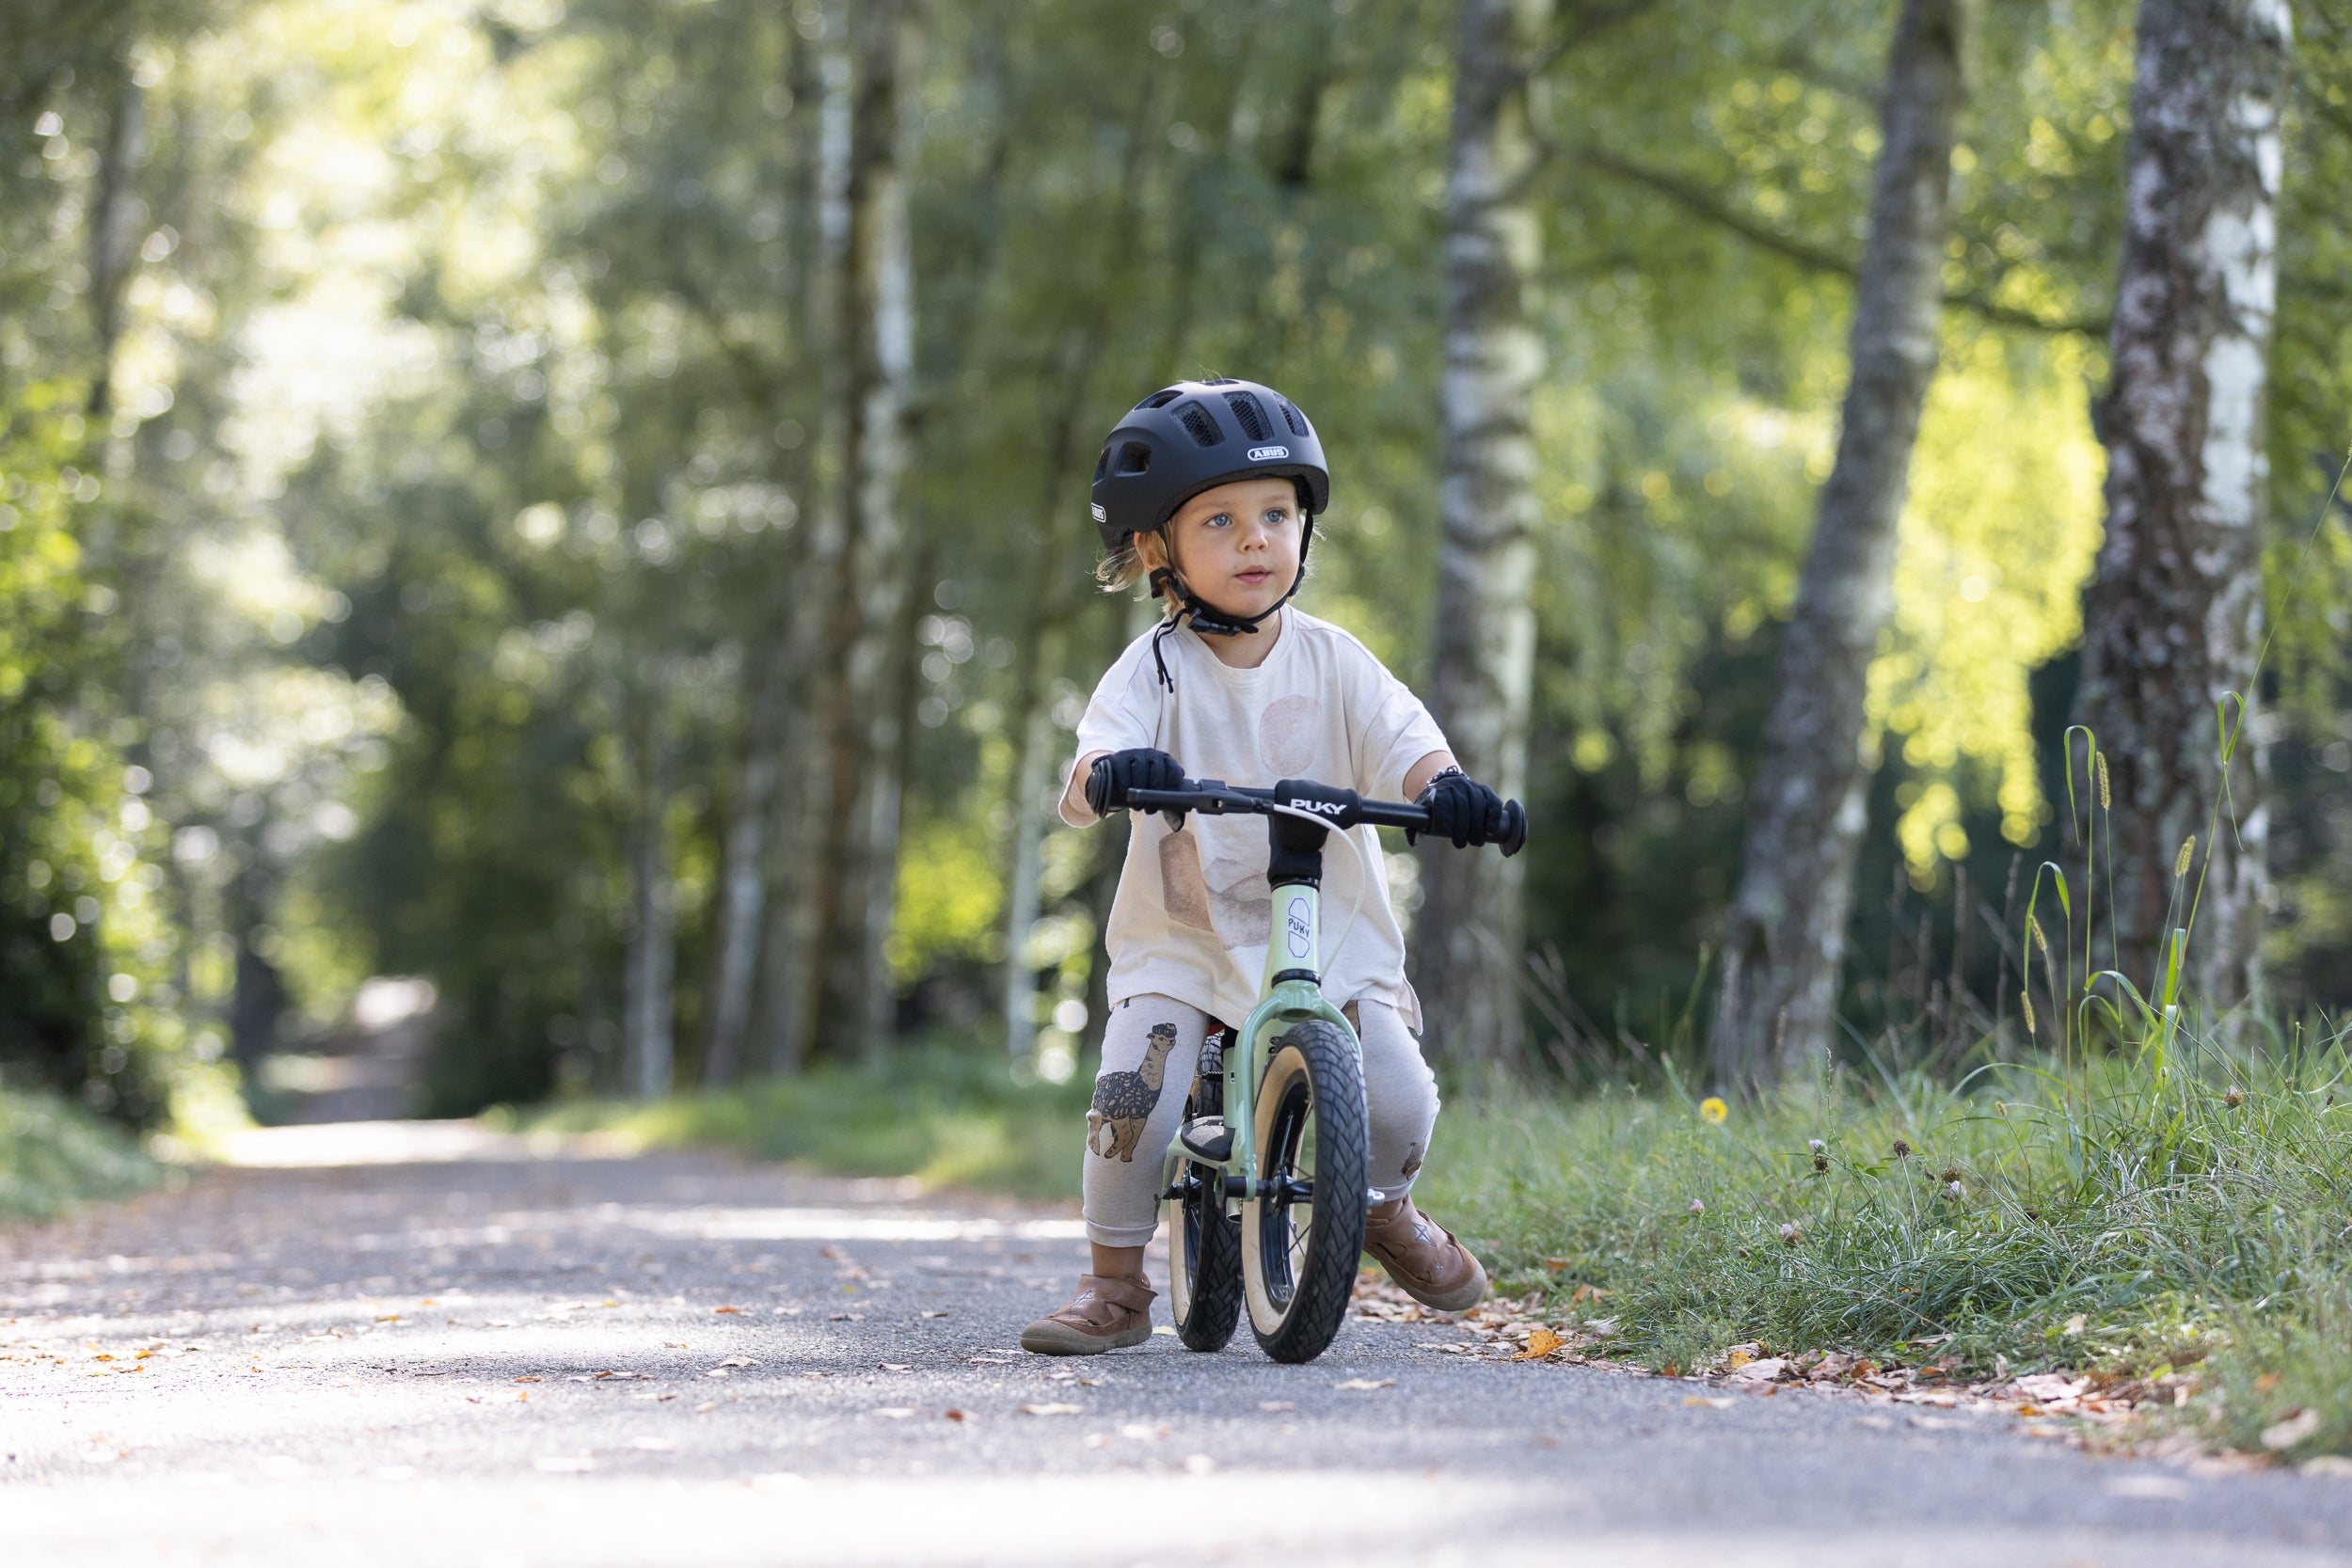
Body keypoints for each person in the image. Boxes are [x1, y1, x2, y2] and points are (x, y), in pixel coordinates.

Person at [1021, 377, 1516, 1355]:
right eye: (1221, 520)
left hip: (1326, 937)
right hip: (1186, 945)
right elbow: (1086, 771)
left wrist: (1446, 784)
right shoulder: (1151, 671)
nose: (1256, 539)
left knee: (1399, 1093)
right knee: (1131, 1097)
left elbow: (1405, 741)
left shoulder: (1336, 662)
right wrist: (1116, 771)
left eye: (1277, 514)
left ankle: (1377, 1206)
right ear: (1156, 549)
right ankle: (1115, 1285)